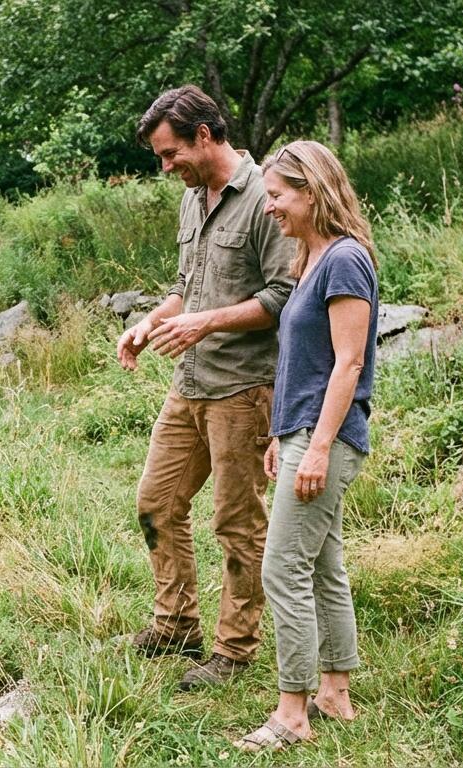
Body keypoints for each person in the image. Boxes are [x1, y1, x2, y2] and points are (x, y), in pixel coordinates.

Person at [117, 85, 294, 692]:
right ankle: (175, 624)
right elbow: (186, 288)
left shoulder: (268, 196)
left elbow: (283, 297)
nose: (167, 168)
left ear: (205, 134)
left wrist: (204, 322)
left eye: (171, 154)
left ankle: (234, 649)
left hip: (244, 389)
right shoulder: (193, 199)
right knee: (156, 503)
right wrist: (154, 322)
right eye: (161, 159)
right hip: (187, 382)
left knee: (236, 521)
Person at [238, 140, 379, 751]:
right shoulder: (310, 256)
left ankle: (291, 714)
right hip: (299, 431)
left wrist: (318, 447)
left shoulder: (345, 260)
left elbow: (348, 365)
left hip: (327, 435)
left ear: (313, 191)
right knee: (323, 565)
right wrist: (279, 434)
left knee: (282, 568)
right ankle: (335, 693)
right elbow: (302, 359)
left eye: (276, 196)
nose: (269, 207)